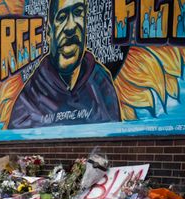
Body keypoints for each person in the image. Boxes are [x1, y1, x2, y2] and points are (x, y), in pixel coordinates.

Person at [9, 0, 120, 129]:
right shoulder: (29, 99)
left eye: (78, 12)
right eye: (61, 17)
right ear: (48, 34)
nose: (71, 27)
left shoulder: (101, 83)